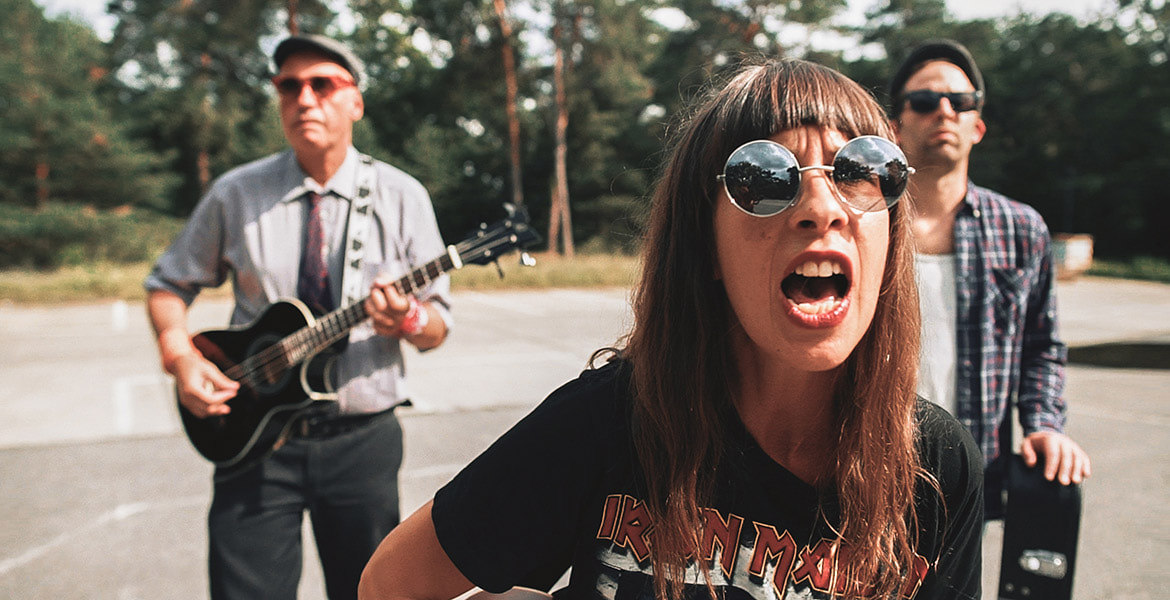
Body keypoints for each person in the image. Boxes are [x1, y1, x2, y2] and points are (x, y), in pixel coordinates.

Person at [359, 58, 983, 600]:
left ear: (892, 233)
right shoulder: (608, 423)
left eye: (861, 169)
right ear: (705, 246)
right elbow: (392, 584)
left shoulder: (938, 466)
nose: (822, 208)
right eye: (764, 178)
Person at [144, 34, 452, 600]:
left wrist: (407, 320)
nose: (304, 98)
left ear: (355, 101)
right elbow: (168, 283)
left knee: (371, 593)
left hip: (362, 442)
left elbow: (436, 327)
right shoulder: (236, 193)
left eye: (322, 84)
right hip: (252, 437)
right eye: (289, 86)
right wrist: (180, 355)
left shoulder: (401, 196)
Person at [887, 39, 1091, 518]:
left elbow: (1042, 345)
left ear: (977, 126)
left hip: (970, 477)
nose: (943, 111)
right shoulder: (863, 220)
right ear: (894, 128)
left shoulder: (1021, 229)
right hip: (864, 466)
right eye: (923, 101)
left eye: (960, 102)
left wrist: (1044, 425)